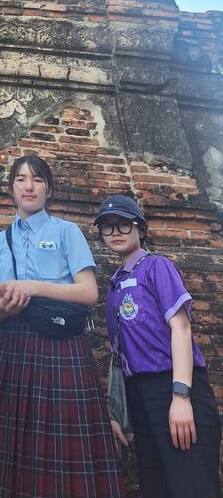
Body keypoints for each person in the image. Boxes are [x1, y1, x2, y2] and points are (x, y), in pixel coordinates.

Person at [0, 154, 124, 498]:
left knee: (66, 442)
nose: (29, 186)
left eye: (38, 179)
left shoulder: (66, 232)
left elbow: (88, 293)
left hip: (62, 344)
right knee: (14, 442)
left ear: (49, 189)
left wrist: (31, 287)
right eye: (21, 179)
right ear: (11, 189)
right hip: (13, 346)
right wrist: (1, 308)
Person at [96, 193, 221, 498]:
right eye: (108, 226)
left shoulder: (157, 267)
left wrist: (180, 397)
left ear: (140, 228)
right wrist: (116, 412)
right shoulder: (113, 287)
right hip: (139, 395)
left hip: (174, 386)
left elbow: (181, 327)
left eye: (124, 224)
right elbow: (117, 354)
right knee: (156, 486)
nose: (115, 232)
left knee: (191, 486)